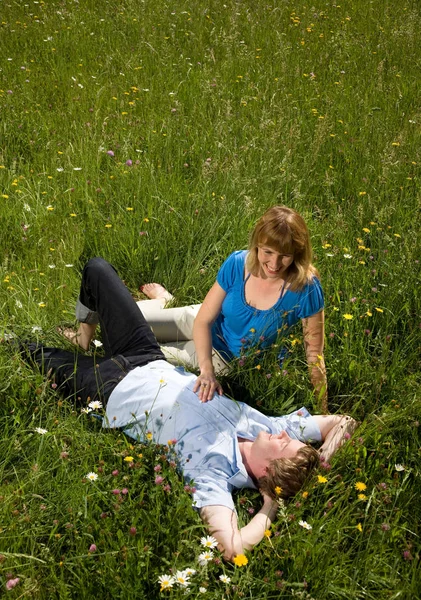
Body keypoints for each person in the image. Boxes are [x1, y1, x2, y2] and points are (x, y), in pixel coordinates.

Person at [22, 258, 356, 561]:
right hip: (145, 355)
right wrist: (322, 458)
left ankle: (65, 348)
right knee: (98, 270)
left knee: (25, 349)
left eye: (284, 444)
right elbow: (342, 422)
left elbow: (232, 548)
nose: (284, 433)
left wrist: (270, 507)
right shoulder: (264, 426)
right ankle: (84, 339)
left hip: (107, 389)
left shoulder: (213, 473)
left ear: (266, 474)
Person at [137, 206, 327, 409]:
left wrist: (322, 409)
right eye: (268, 252)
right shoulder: (238, 263)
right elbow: (203, 320)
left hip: (222, 355)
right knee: (132, 320)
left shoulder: (306, 288)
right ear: (257, 246)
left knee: (139, 350)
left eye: (285, 255)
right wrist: (206, 369)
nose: (274, 263)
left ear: (298, 252)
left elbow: (314, 353)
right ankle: (164, 299)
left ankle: (165, 303)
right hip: (201, 319)